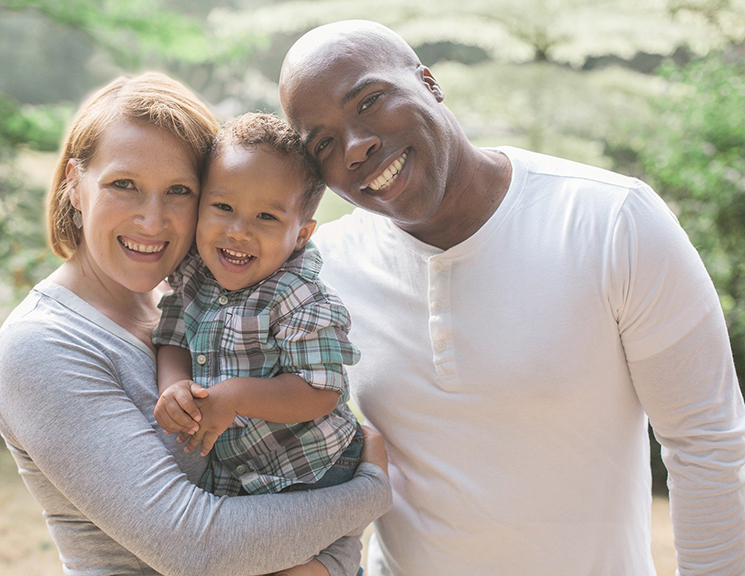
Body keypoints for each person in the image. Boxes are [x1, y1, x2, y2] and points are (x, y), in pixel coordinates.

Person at [278, 20, 745, 576]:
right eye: (324, 143)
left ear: (429, 83)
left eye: (371, 101)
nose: (357, 147)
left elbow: (708, 445)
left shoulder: (613, 221)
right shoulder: (322, 273)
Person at [0, 72, 391, 576]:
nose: (152, 220)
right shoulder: (41, 346)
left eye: (179, 190)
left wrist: (333, 561)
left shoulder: (192, 300)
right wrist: (368, 494)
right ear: (75, 185)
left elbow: (303, 435)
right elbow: (197, 548)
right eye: (124, 185)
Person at [151, 112, 366, 574]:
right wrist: (175, 386)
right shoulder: (193, 276)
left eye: (266, 216)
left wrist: (236, 396)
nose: (238, 231)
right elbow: (172, 339)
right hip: (241, 474)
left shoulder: (298, 297)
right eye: (223, 207)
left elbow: (321, 392)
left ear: (301, 234)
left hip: (312, 467)